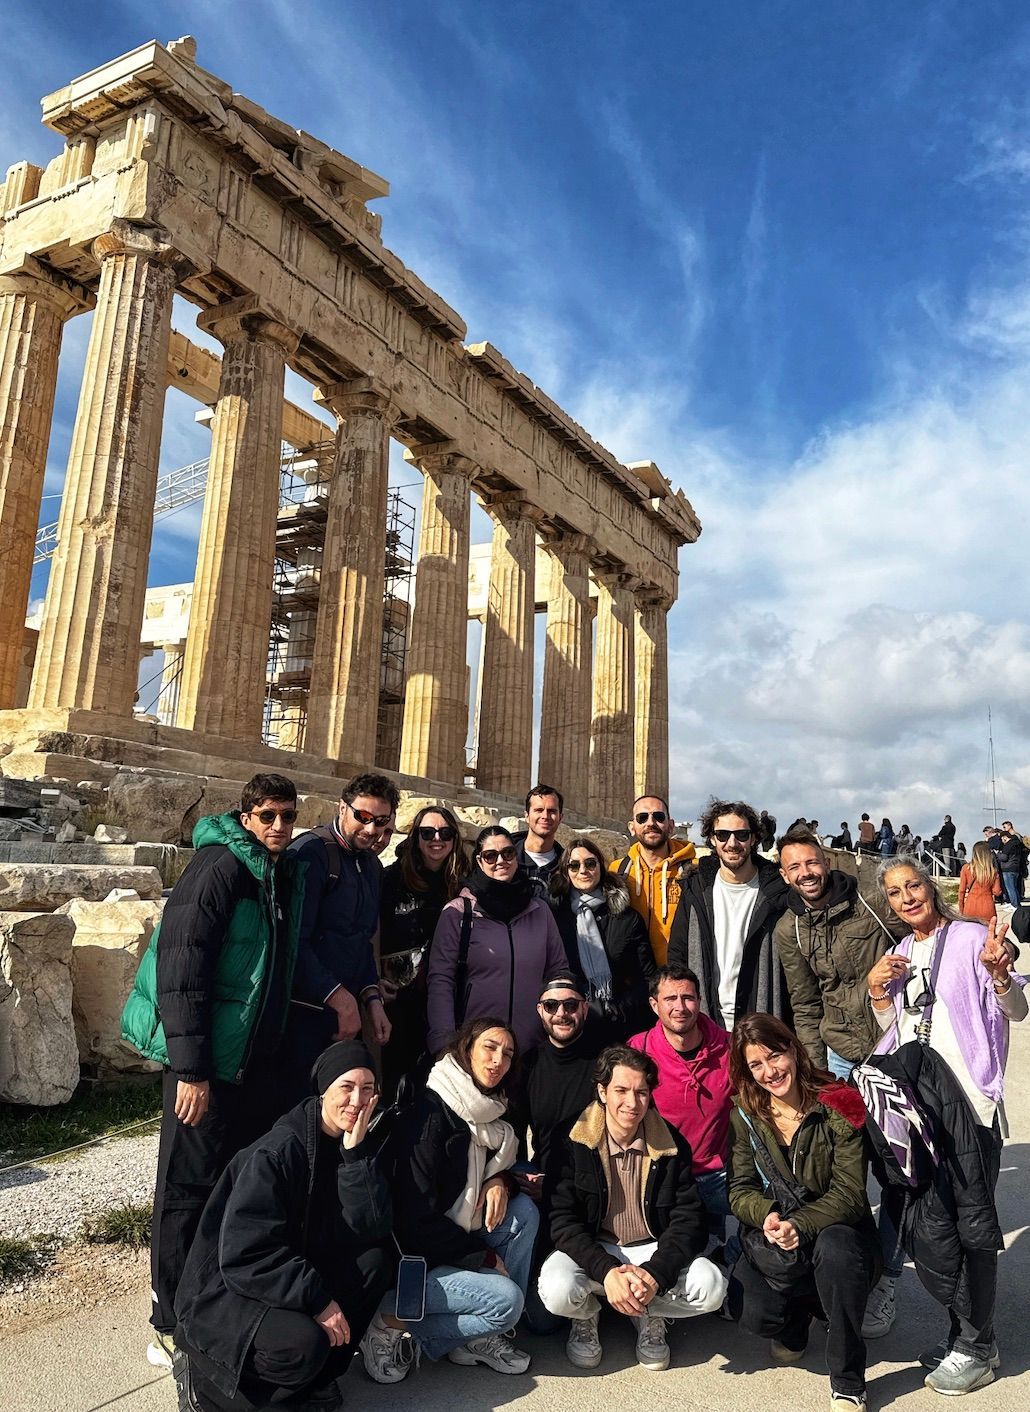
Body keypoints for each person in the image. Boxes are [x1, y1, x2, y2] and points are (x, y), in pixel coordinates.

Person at [121, 773, 306, 1368]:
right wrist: (191, 1070)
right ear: (248, 815)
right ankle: (167, 1318)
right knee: (184, 1190)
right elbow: (182, 968)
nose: (279, 826)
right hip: (205, 1066)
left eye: (288, 816)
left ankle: (214, 1298)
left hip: (247, 1063)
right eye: (269, 815)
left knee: (233, 1185)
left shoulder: (273, 873)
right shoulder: (220, 868)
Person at [861, 856, 1027, 1396]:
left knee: (973, 1225)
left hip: (970, 1105)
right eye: (894, 893)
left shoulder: (972, 937)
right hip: (921, 1113)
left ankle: (979, 1346)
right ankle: (964, 1334)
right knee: (934, 1228)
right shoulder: (902, 953)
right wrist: (879, 993)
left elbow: (1017, 1010)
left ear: (930, 887)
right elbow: (899, 1033)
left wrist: (1000, 975)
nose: (907, 897)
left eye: (913, 885)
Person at [172, 1041, 391, 1411]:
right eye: (346, 1088)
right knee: (303, 1344)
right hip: (228, 1291)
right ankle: (205, 1383)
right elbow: (247, 1254)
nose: (357, 1101)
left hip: (287, 1274)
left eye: (367, 1090)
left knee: (374, 1262)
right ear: (323, 1092)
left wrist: (356, 1159)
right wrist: (319, 1300)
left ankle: (315, 1380)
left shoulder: (351, 1144)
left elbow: (370, 1228)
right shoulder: (277, 1153)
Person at [772, 826, 907, 1336]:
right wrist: (814, 1073)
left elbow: (924, 926)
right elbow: (804, 1005)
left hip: (892, 1050)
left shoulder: (872, 902)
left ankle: (887, 1280)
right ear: (784, 873)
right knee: (842, 1178)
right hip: (839, 1062)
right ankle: (852, 1277)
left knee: (897, 1175)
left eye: (812, 863)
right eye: (794, 867)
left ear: (825, 862)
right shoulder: (791, 929)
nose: (805, 873)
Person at [359, 1017, 537, 1383]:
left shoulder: (493, 1112)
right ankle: (389, 1320)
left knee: (523, 1214)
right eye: (489, 1047)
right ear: (466, 1048)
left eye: (507, 1054)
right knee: (507, 1301)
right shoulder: (431, 1114)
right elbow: (414, 1220)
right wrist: (483, 1257)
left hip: (456, 1233)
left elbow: (498, 1166)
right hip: (419, 1254)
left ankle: (477, 1336)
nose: (498, 1061)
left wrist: (501, 1179)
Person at [538, 1045, 726, 1372]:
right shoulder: (571, 1139)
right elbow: (562, 1221)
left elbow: (688, 1221)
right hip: (596, 1247)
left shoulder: (670, 1143)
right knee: (556, 1290)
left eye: (641, 1092)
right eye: (621, 1090)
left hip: (651, 1248)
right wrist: (607, 1271)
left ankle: (650, 1313)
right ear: (602, 1091)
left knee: (712, 1287)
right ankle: (588, 1314)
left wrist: (655, 1274)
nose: (631, 1102)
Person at [727, 1014, 879, 1411]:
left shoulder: (837, 1101)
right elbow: (740, 1190)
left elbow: (850, 1192)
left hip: (839, 1230)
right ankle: (799, 1320)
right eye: (755, 1065)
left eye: (774, 1056)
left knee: (837, 1249)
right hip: (781, 1233)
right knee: (752, 1313)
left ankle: (848, 1380)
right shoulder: (745, 1113)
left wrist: (801, 1224)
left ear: (793, 1049)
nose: (769, 1072)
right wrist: (767, 1215)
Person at [285, 774, 398, 1096]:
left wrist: (371, 999)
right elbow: (294, 943)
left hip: (343, 1010)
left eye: (381, 821)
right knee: (301, 1107)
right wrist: (340, 998)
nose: (371, 829)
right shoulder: (311, 853)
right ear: (341, 807)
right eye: (362, 817)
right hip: (304, 1011)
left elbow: (359, 941)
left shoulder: (371, 864)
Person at [426, 825, 565, 1054]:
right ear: (479, 861)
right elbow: (441, 979)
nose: (501, 860)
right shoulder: (458, 912)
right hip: (475, 1048)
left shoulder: (539, 910)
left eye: (508, 853)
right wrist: (443, 1042)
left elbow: (557, 971)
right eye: (491, 855)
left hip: (532, 1046)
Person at [628, 966, 734, 1252]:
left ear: (699, 1001)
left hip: (718, 1175)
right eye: (670, 999)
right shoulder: (637, 1051)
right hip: (665, 1177)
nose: (680, 1007)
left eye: (688, 998)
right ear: (654, 1004)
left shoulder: (729, 1047)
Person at [668, 799, 791, 1029]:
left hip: (762, 1018)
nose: (732, 843)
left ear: (754, 838)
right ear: (712, 839)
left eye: (742, 835)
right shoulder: (695, 890)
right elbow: (678, 954)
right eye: (723, 835)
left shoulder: (778, 893)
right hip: (707, 1020)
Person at [378, 804, 470, 1096]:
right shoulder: (391, 879)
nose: (436, 839)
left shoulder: (465, 885)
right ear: (415, 837)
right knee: (396, 1081)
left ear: (455, 838)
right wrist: (373, 978)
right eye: (427, 832)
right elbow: (373, 933)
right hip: (398, 1000)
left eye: (445, 833)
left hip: (448, 1001)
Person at [548, 836, 655, 1033]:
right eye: (574, 866)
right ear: (565, 872)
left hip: (621, 1023)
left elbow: (647, 978)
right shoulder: (555, 918)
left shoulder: (627, 918)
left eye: (590, 863)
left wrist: (618, 1009)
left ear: (601, 866)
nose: (583, 871)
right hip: (572, 1026)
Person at [610, 793, 696, 965]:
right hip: (632, 980)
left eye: (658, 816)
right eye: (642, 818)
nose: (650, 823)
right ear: (632, 827)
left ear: (671, 826)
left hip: (678, 977)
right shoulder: (617, 871)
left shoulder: (693, 871)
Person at [511, 784, 566, 899]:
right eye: (539, 810)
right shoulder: (503, 858)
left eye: (552, 811)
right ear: (526, 816)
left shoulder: (568, 867)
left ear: (560, 817)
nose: (545, 816)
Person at [958, 841, 1002, 924]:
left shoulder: (966, 868)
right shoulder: (992, 871)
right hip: (987, 908)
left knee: (970, 935)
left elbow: (961, 892)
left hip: (970, 907)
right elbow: (997, 892)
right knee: (988, 934)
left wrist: (961, 909)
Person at [996, 825, 1026, 908]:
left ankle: (1014, 905)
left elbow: (1004, 857)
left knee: (1010, 888)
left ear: (1005, 837)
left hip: (1008, 868)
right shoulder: (1017, 844)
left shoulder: (1008, 845)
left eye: (1002, 839)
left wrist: (998, 854)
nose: (1002, 841)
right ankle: (1017, 904)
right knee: (1014, 887)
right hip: (1016, 868)